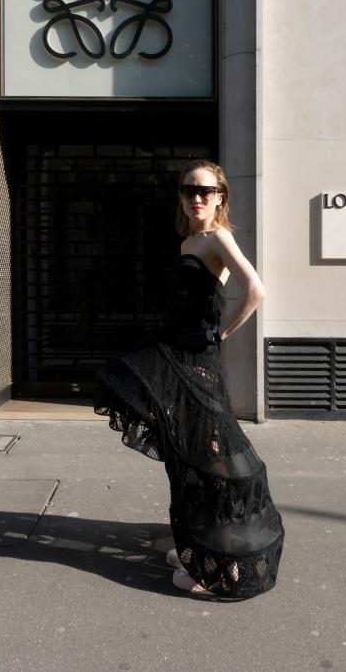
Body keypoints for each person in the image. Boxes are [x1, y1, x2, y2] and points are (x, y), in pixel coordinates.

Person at [94, 159, 284, 599]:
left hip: (198, 362)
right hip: (176, 357)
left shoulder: (218, 237)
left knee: (212, 454)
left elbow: (255, 289)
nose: (196, 198)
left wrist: (220, 332)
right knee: (190, 450)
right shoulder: (189, 241)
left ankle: (223, 564)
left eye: (205, 190)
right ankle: (200, 545)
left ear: (220, 197)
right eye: (188, 190)